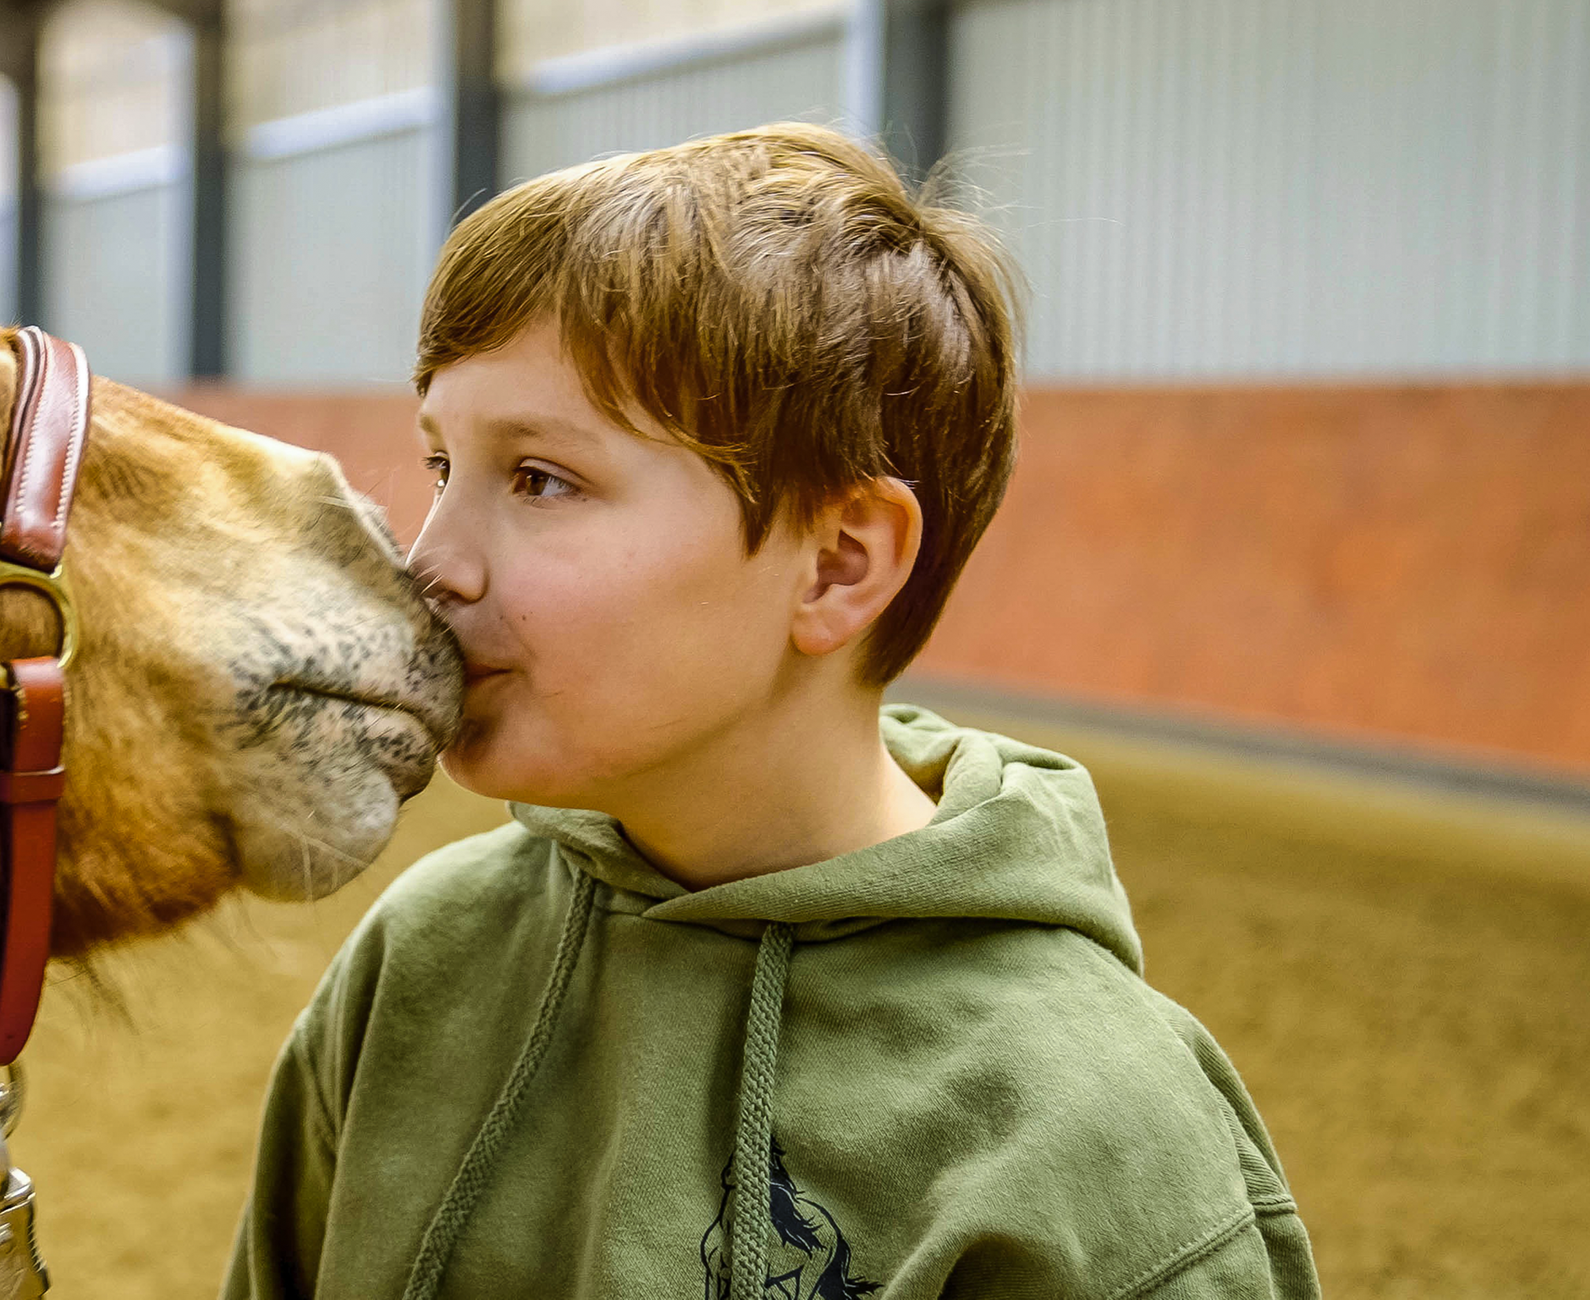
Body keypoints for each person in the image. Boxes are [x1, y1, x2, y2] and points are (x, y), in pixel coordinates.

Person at [222, 122, 1322, 1300]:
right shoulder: (423, 956)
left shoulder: (1090, 1131)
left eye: (542, 478)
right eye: (443, 465)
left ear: (837, 563)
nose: (430, 562)